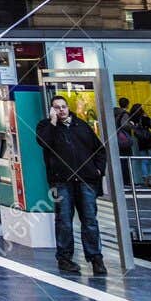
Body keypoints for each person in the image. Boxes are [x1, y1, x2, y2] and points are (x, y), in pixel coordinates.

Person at [35, 95, 107, 276]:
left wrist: (98, 171)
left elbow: (99, 150)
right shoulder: (46, 127)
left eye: (63, 107)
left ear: (68, 107)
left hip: (85, 180)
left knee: (90, 220)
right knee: (64, 221)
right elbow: (43, 142)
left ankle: (96, 259)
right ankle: (65, 259)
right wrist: (52, 122)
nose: (61, 110)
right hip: (62, 182)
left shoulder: (81, 126)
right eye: (57, 108)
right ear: (51, 110)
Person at [129, 103, 151, 188]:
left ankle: (145, 179)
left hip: (140, 141)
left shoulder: (132, 119)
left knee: (144, 160)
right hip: (149, 140)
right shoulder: (144, 117)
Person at [113, 98, 135, 188]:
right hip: (123, 139)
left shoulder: (115, 113)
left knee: (122, 160)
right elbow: (124, 125)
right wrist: (132, 125)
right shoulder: (124, 113)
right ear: (127, 104)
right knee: (126, 160)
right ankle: (127, 181)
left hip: (117, 138)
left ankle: (123, 180)